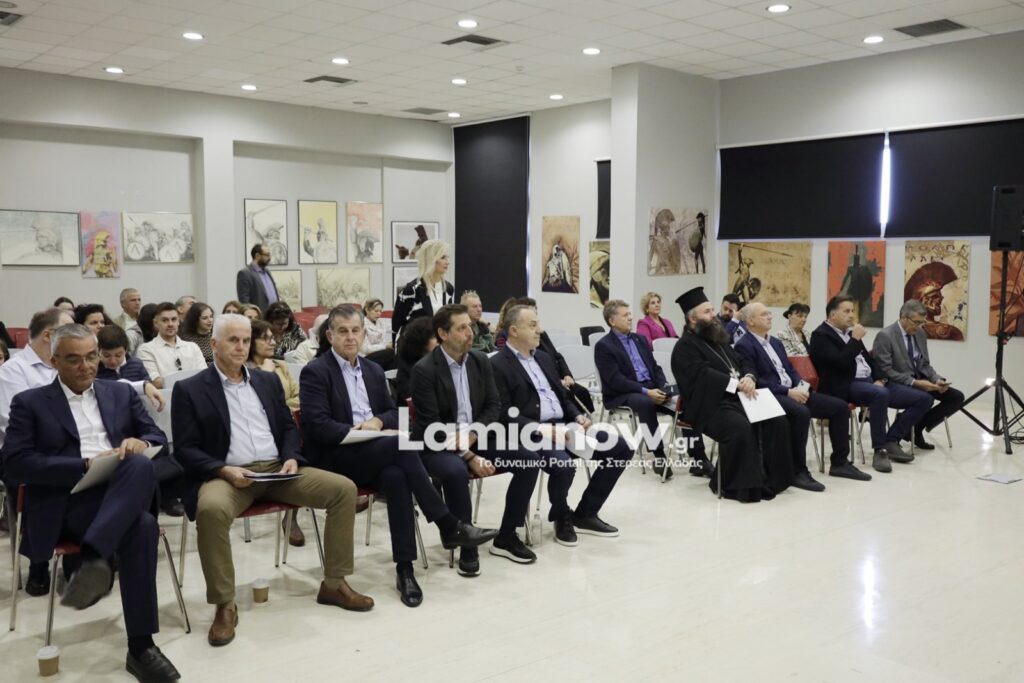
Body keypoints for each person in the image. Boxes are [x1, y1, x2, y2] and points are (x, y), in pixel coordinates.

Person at [171, 314, 373, 647]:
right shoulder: (190, 389)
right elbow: (185, 448)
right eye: (233, 340)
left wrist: (292, 456)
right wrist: (222, 470)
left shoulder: (267, 381)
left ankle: (334, 584)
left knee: (343, 490)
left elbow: (288, 428)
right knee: (211, 510)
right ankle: (224, 604)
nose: (241, 347)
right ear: (215, 344)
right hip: (230, 475)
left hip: (278, 469)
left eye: (245, 340)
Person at [0, 324, 181, 682]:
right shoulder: (30, 402)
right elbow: (15, 464)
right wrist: (83, 465)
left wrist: (141, 443)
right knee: (143, 525)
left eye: (91, 356)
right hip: (67, 502)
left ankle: (95, 559)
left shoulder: (120, 393)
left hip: (119, 492)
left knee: (139, 465)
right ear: (54, 361)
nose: (86, 366)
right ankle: (142, 647)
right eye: (74, 359)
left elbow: (156, 435)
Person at [300, 304, 498, 606]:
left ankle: (405, 569)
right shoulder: (315, 372)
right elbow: (318, 427)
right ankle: (448, 524)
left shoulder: (372, 370)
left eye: (356, 331)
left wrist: (378, 423)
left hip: (377, 453)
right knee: (399, 445)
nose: (350, 337)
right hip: (336, 457)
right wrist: (365, 432)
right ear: (330, 336)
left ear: (364, 334)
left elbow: (395, 413)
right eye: (343, 331)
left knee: (397, 476)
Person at [410, 305, 542, 573]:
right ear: (443, 334)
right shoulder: (425, 370)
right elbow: (432, 425)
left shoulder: (480, 361)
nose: (470, 333)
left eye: (470, 326)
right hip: (436, 444)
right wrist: (469, 456)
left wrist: (472, 436)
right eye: (462, 328)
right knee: (456, 470)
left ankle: (506, 536)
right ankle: (467, 545)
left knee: (529, 460)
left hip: (477, 437)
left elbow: (493, 406)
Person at [491, 305, 629, 543]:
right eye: (533, 325)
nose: (539, 330)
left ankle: (585, 513)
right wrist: (543, 429)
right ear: (513, 331)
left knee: (621, 448)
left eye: (538, 323)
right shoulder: (498, 365)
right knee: (563, 464)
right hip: (532, 432)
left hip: (565, 427)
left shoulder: (543, 358)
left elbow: (563, 398)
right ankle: (561, 514)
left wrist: (577, 416)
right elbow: (503, 414)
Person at [670, 287, 794, 502]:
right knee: (740, 428)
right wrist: (735, 384)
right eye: (707, 312)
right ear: (692, 319)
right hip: (708, 406)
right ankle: (738, 487)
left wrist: (749, 377)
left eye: (712, 310)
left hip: (737, 399)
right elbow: (703, 377)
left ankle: (772, 479)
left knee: (776, 419)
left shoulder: (718, 339)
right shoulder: (684, 347)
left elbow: (743, 360)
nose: (714, 315)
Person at [735, 302, 866, 489]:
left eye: (769, 313)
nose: (770, 316)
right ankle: (798, 471)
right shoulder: (744, 345)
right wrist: (789, 392)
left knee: (839, 407)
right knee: (801, 412)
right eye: (764, 314)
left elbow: (790, 371)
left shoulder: (776, 343)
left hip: (794, 391)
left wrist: (802, 388)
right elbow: (758, 381)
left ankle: (840, 463)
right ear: (751, 321)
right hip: (772, 395)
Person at [809, 296, 932, 474]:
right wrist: (855, 340)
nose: (852, 315)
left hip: (870, 382)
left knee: (924, 399)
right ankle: (880, 450)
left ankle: (892, 439)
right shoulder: (821, 335)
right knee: (879, 395)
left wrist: (881, 379)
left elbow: (871, 361)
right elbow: (839, 364)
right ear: (832, 315)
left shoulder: (849, 334)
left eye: (853, 311)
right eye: (846, 311)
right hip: (845, 384)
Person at [96, 325, 185, 517]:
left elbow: (149, 388)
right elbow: (107, 388)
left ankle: (167, 497)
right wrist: (142, 385)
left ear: (126, 350)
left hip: (140, 418)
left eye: (118, 355)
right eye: (106, 356)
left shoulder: (135, 365)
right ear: (98, 352)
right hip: (115, 424)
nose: (113, 361)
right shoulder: (96, 370)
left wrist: (147, 386)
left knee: (163, 447)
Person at [594, 300, 677, 478]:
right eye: (625, 315)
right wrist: (647, 392)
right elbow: (616, 381)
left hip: (650, 386)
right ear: (612, 321)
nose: (630, 318)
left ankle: (699, 456)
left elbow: (655, 367)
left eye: (630, 314)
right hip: (623, 393)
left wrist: (663, 387)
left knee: (685, 397)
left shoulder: (640, 339)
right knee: (646, 402)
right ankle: (659, 457)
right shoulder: (604, 346)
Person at [871, 300, 966, 450]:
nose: (919, 326)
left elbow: (924, 364)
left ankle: (915, 429)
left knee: (956, 397)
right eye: (916, 322)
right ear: (904, 318)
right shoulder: (885, 335)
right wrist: (914, 383)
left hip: (919, 380)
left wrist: (936, 379)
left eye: (922, 322)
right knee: (926, 398)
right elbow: (885, 370)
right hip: (896, 383)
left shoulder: (920, 334)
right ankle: (893, 438)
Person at [0, 308, 75, 451]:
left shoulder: (67, 367)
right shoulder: (12, 371)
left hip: (70, 447)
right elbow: (14, 424)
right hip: (31, 453)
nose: (76, 337)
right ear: (48, 335)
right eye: (68, 332)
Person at [136, 302, 207, 389]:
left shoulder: (192, 347)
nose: (170, 324)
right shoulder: (146, 350)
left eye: (174, 319)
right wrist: (191, 381)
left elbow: (204, 375)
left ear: (178, 322)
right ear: (156, 323)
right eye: (164, 320)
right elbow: (156, 382)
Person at [392, 239, 454, 338]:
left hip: (440, 343)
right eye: (443, 257)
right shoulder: (412, 290)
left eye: (447, 257)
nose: (447, 262)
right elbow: (397, 325)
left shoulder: (448, 288)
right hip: (415, 344)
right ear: (431, 259)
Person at [903, 262, 965, 341]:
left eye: (940, 296)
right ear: (924, 302)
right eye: (935, 296)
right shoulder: (950, 332)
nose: (941, 298)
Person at [248, 320, 300, 411]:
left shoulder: (280, 365)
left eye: (272, 338)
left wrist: (282, 407)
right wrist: (266, 374)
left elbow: (300, 396)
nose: (273, 343)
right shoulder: (244, 371)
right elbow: (259, 405)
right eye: (266, 338)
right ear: (251, 341)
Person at [395, 317, 436, 403]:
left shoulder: (439, 359)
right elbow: (408, 396)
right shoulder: (407, 362)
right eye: (434, 337)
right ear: (422, 340)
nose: (439, 341)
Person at [236, 244, 279, 314]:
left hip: (274, 315)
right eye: (267, 255)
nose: (270, 258)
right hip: (259, 316)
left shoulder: (267, 271)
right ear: (257, 256)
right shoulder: (245, 273)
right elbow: (244, 301)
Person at [360, 298, 396, 369]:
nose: (379, 314)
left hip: (381, 355)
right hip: (366, 357)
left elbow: (395, 328)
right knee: (391, 353)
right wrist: (385, 346)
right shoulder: (361, 325)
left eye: (380, 311)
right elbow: (365, 349)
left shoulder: (381, 323)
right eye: (376, 311)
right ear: (367, 310)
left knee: (397, 356)